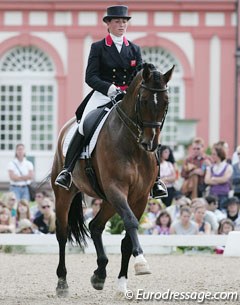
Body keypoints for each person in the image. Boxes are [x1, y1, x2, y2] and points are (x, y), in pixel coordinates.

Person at [54, 5, 167, 199]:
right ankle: (67, 170)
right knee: (84, 126)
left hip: (127, 97)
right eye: (117, 21)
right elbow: (90, 76)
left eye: (124, 21)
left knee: (148, 128)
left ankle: (156, 180)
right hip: (103, 94)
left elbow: (138, 74)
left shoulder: (134, 48)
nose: (121, 25)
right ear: (108, 24)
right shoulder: (98, 47)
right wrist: (109, 88)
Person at [204, 143, 233, 211]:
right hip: (212, 196)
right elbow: (206, 181)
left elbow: (225, 179)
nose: (212, 156)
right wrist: (219, 180)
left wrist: (213, 179)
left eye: (214, 154)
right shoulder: (211, 167)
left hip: (223, 196)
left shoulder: (228, 167)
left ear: (219, 154)